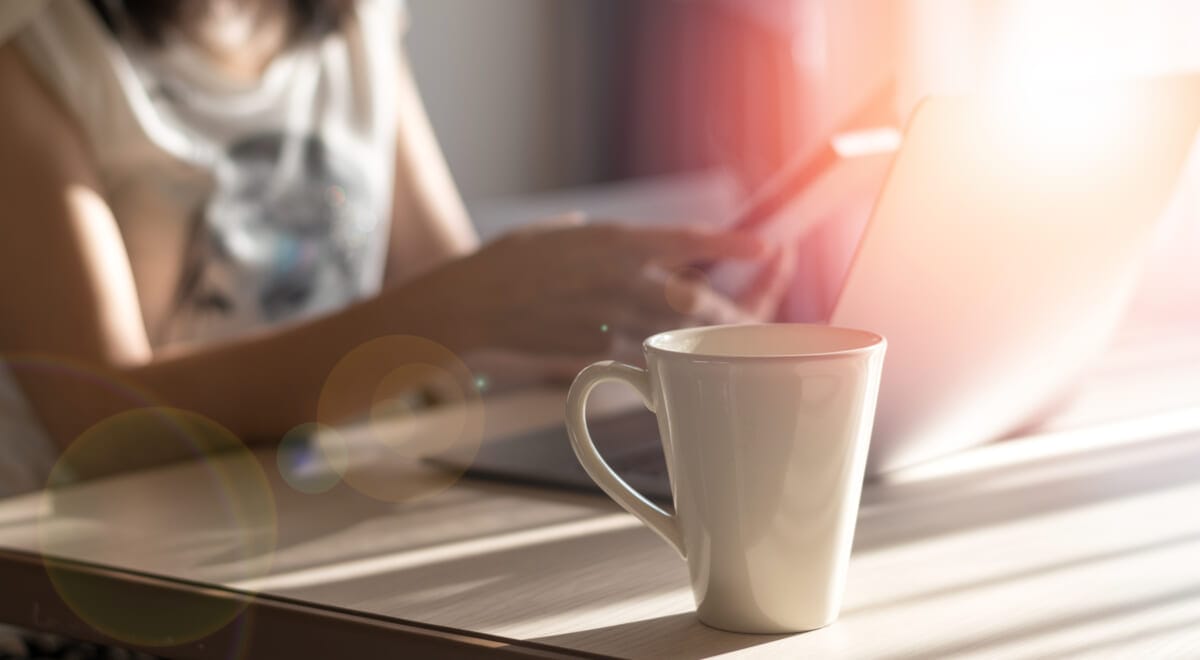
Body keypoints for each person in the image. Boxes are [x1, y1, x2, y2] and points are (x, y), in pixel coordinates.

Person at [0, 0, 791, 496]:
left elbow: (458, 326)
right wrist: (458, 310)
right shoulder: (34, 47)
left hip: (312, 504)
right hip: (94, 564)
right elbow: (96, 418)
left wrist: (619, 323)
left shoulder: (356, 22)